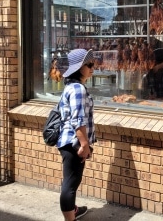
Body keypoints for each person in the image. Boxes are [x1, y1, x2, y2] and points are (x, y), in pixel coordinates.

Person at [57, 49, 96, 221]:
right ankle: (69, 218)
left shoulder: (70, 86)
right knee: (70, 184)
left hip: (68, 141)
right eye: (89, 65)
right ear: (79, 68)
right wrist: (84, 144)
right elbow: (78, 119)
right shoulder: (78, 89)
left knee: (70, 180)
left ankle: (73, 210)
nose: (93, 68)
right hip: (74, 142)